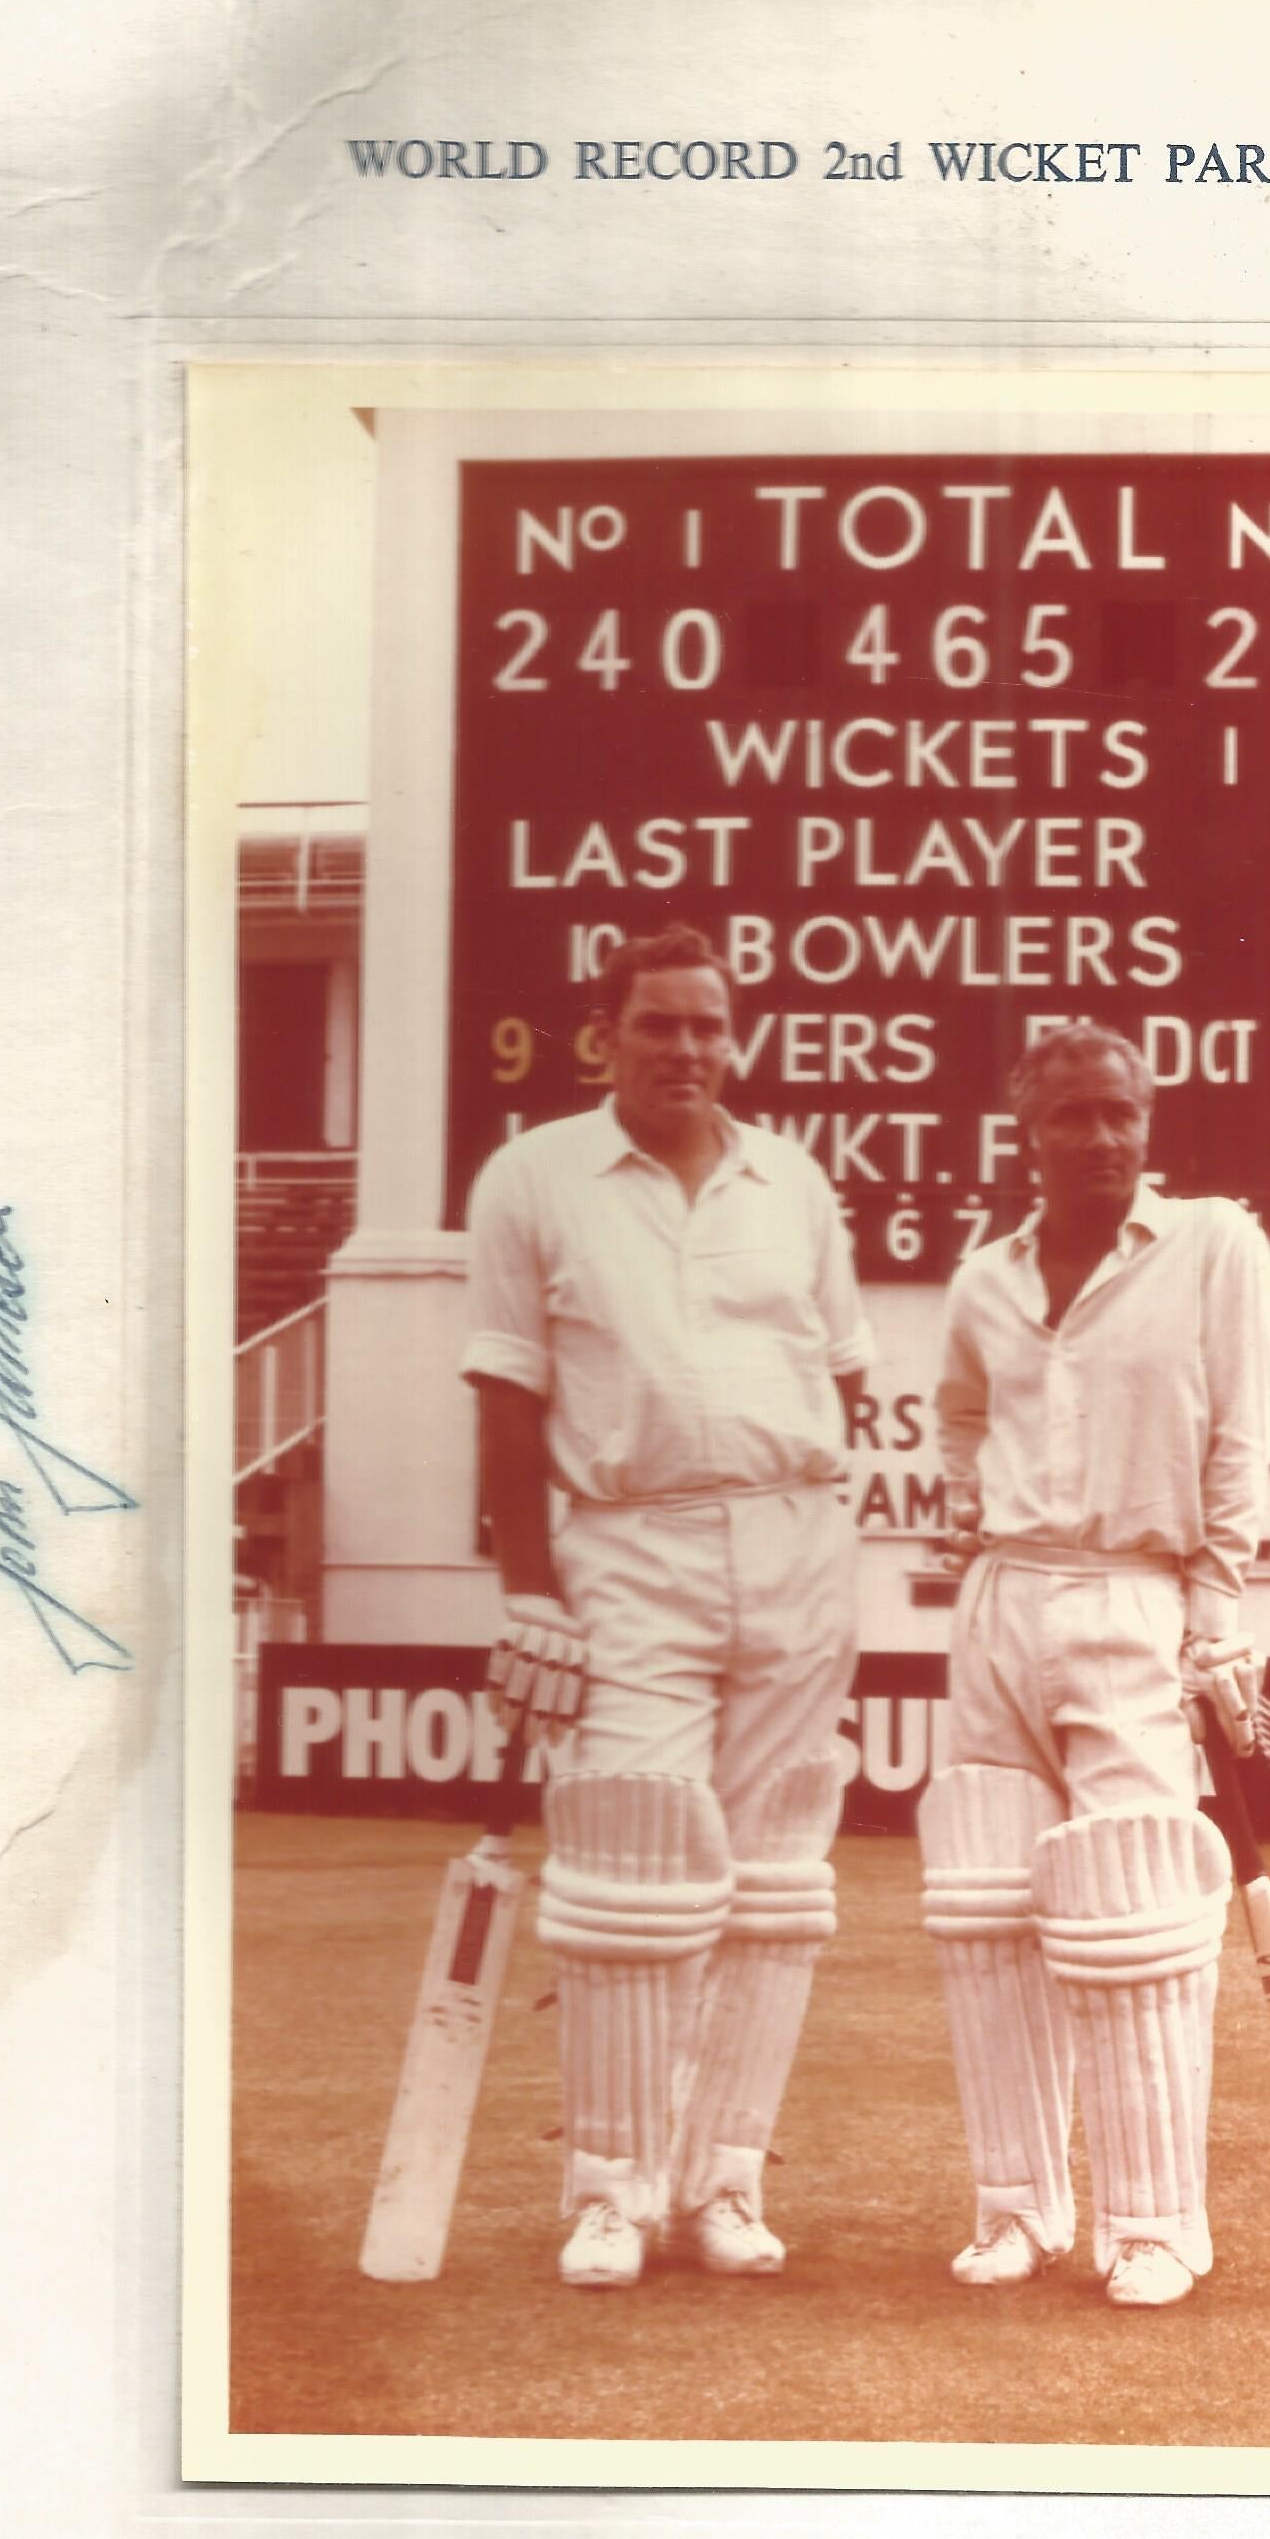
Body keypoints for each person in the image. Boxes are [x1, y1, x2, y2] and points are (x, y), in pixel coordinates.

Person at [461, 926, 871, 2289]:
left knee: (768, 1886)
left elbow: (844, 1379)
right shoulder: (533, 1180)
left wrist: (826, 1539)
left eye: (708, 1025)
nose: (685, 1048)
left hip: (796, 1549)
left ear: (731, 1036)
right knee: (630, 1859)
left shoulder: (792, 1183)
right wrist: (530, 1592)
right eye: (658, 1026)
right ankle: (609, 2193)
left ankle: (724, 2186)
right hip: (626, 1553)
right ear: (606, 1035)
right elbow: (507, 1399)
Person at [923, 1020, 1270, 2308]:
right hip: (1002, 1596)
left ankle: (1155, 2223)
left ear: (1148, 1118)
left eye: (1120, 1112)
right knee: (989, 1908)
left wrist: (1215, 1601)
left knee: (1135, 1905)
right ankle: (1019, 2209)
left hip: (1134, 1595)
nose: (1100, 1138)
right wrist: (969, 1506)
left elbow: (1241, 1427)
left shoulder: (1215, 1246)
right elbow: (961, 1415)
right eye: (1072, 1116)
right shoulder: (984, 1282)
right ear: (1028, 1128)